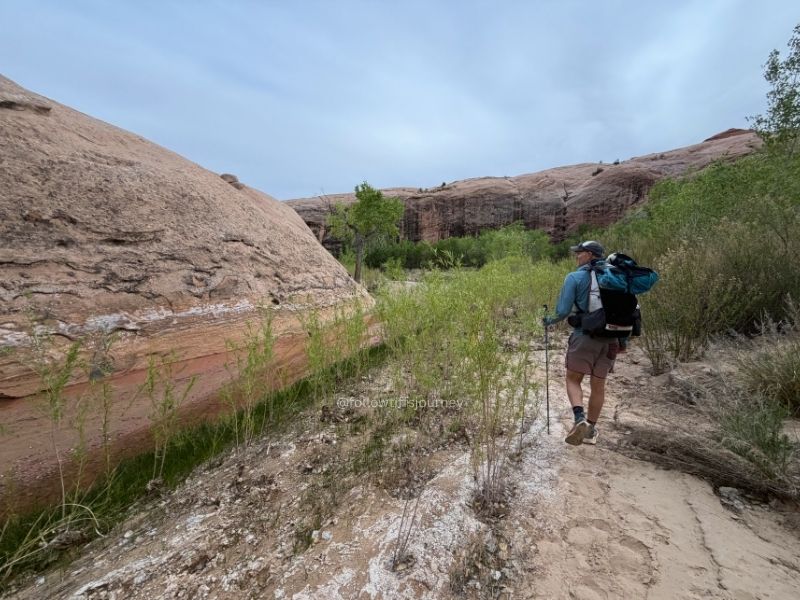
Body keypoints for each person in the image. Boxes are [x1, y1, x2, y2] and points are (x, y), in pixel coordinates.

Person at [543, 240, 619, 446]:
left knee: (573, 379)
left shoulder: (575, 277)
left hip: (584, 336)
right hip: (612, 339)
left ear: (591, 255)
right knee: (598, 386)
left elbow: (562, 311)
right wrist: (622, 342)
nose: (577, 256)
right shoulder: (617, 277)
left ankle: (579, 419)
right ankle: (591, 431)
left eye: (580, 252)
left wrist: (548, 320)